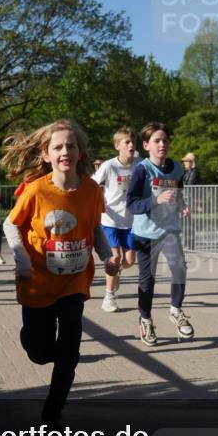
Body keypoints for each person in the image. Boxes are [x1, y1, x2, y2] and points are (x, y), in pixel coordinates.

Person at [1, 119, 119, 424]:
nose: (65, 150)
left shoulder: (92, 190)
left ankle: (53, 411)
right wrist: (20, 257)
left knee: (69, 349)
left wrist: (107, 256)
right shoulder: (36, 189)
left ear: (80, 153)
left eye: (71, 145)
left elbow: (95, 227)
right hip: (38, 281)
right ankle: (37, 342)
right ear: (46, 153)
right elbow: (10, 224)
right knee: (39, 352)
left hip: (74, 282)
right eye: (58, 146)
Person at [126, 122, 192, 346]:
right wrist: (155, 200)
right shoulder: (142, 169)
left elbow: (178, 192)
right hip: (145, 233)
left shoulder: (176, 169)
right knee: (147, 280)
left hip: (169, 229)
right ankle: (145, 319)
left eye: (165, 140)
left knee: (179, 268)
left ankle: (175, 310)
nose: (162, 144)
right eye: (156, 140)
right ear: (146, 145)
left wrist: (183, 205)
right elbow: (131, 204)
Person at [93, 129, 138, 313]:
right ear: (117, 146)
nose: (131, 145)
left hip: (130, 221)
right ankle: (109, 296)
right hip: (109, 219)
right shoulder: (109, 166)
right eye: (126, 142)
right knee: (115, 258)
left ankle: (116, 272)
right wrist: (99, 200)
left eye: (133, 141)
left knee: (129, 261)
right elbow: (93, 184)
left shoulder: (141, 164)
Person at [181, 152, 201, 250]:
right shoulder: (185, 172)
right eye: (184, 161)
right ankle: (186, 242)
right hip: (185, 198)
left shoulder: (194, 172)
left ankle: (190, 243)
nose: (184, 163)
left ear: (192, 162)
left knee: (189, 221)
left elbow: (189, 184)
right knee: (184, 221)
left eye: (187, 161)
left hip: (190, 199)